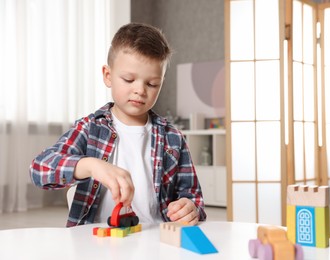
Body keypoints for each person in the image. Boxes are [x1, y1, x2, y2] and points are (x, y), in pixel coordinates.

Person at [29, 22, 206, 227]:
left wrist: (189, 207)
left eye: (152, 84)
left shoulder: (173, 137)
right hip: (95, 241)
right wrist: (90, 165)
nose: (140, 90)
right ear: (108, 76)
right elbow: (39, 169)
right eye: (129, 79)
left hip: (155, 239)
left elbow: (193, 195)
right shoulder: (90, 128)